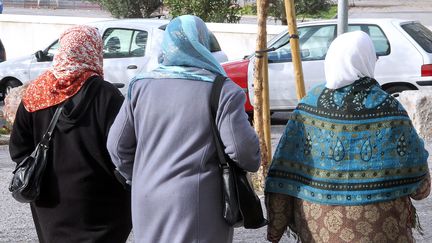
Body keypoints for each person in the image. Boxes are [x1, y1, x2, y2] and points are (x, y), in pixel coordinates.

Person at [264, 31, 431, 243]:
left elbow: (283, 172)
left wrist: (276, 228)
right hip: (382, 228)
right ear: (366, 59)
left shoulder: (309, 105)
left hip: (319, 229)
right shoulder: (388, 107)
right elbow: (420, 183)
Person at [107, 15, 260, 243]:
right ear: (203, 44)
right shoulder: (222, 90)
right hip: (197, 202)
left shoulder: (139, 86)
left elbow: (117, 148)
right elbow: (243, 151)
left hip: (147, 198)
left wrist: (141, 175)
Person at [9, 25, 132, 242]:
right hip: (100, 202)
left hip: (50, 203)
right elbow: (122, 146)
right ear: (93, 50)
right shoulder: (107, 95)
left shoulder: (35, 93)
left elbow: (19, 148)